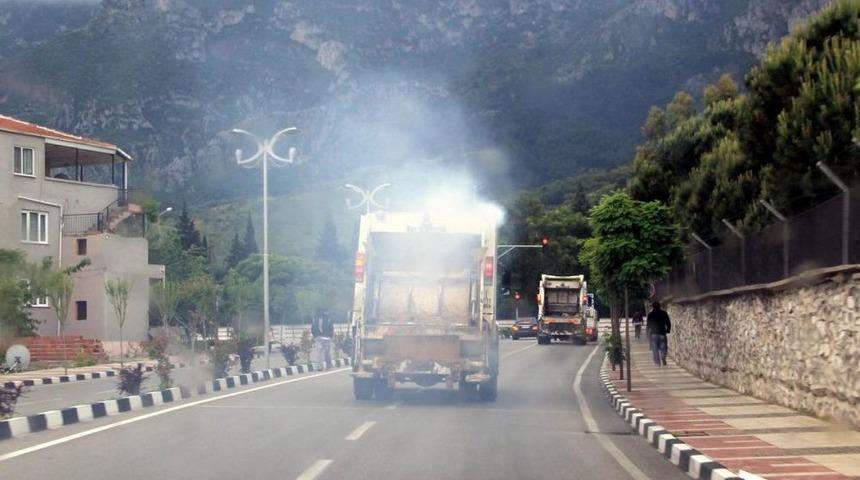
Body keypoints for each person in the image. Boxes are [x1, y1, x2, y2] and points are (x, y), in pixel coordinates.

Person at [646, 302, 671, 366]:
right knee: (663, 346)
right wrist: (668, 330)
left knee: (655, 348)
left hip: (654, 333)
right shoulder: (664, 313)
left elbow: (648, 325)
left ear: (653, 307)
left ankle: (657, 362)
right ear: (660, 306)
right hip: (662, 333)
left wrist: (647, 333)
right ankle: (663, 355)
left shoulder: (650, 314)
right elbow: (668, 322)